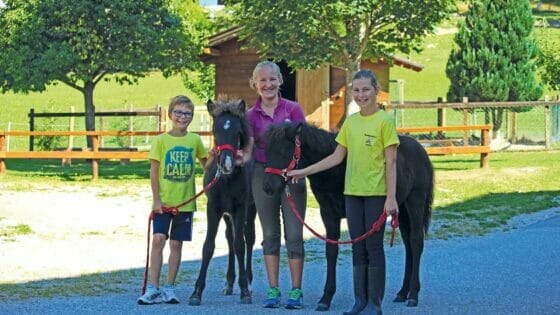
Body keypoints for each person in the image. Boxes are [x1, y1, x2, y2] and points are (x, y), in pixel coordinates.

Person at [288, 69, 399, 315]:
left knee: (373, 247)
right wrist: (304, 171)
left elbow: (390, 162)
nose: (361, 95)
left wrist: (391, 198)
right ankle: (360, 301)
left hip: (376, 194)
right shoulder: (350, 122)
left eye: (366, 90)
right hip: (352, 194)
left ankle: (375, 304)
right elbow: (336, 157)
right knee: (357, 248)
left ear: (376, 91)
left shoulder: (385, 122)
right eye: (356, 90)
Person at [242, 60, 308, 309]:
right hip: (262, 174)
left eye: (272, 79)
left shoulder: (293, 110)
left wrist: (300, 170)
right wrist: (235, 159)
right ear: (255, 84)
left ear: (280, 81)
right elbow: (248, 149)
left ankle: (296, 290)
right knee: (269, 233)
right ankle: (272, 290)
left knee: (294, 233)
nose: (268, 84)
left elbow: (305, 143)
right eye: (262, 80)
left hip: (292, 175)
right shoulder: (250, 115)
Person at [137, 95, 208, 305]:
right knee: (159, 240)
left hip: (185, 204)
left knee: (176, 245)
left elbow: (208, 166)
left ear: (192, 117)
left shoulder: (194, 140)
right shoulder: (161, 141)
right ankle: (153, 287)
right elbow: (154, 172)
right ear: (170, 114)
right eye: (178, 112)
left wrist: (219, 157)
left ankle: (169, 287)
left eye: (187, 113)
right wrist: (156, 200)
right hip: (164, 203)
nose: (182, 117)